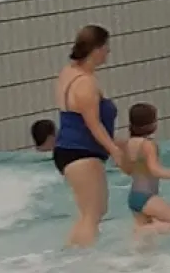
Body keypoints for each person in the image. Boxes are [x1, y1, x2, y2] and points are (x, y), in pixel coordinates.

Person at [53, 25, 124, 248]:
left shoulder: (69, 72)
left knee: (92, 212)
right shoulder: (85, 83)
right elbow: (93, 124)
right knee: (92, 215)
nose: (108, 52)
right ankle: (86, 259)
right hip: (81, 152)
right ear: (96, 50)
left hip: (70, 150)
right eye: (106, 47)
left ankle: (70, 252)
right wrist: (115, 151)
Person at [124, 103, 170, 238]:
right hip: (146, 196)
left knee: (146, 243)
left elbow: (128, 169)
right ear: (152, 124)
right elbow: (155, 170)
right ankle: (139, 231)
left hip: (134, 195)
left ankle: (136, 244)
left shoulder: (129, 143)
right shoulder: (148, 145)